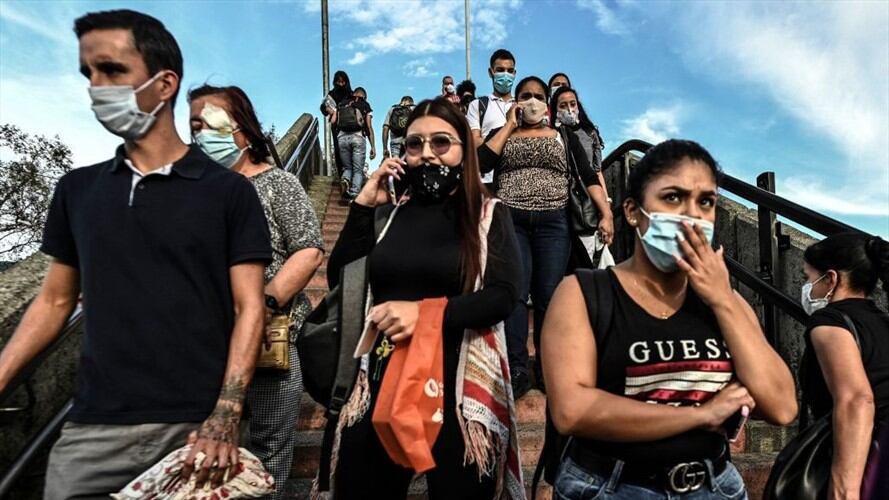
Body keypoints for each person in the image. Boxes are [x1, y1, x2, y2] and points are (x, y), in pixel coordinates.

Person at [0, 10, 273, 498]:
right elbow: (54, 303)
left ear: (164, 83)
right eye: (89, 74)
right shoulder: (76, 190)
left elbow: (248, 305)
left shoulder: (229, 193)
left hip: (196, 428)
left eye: (112, 71)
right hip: (92, 429)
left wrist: (225, 416)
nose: (96, 88)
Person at [541, 139, 798, 499]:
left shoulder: (724, 299)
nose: (692, 215)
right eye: (673, 198)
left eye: (705, 201)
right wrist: (702, 416)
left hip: (714, 485)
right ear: (632, 212)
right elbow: (572, 410)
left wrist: (722, 299)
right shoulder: (584, 292)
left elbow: (783, 406)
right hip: (610, 486)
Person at [325, 98, 524, 499]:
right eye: (414, 144)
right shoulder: (388, 214)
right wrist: (363, 207)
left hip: (459, 393)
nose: (426, 153)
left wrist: (425, 314)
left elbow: (504, 296)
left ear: (465, 152)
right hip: (380, 382)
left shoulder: (488, 214)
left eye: (440, 142)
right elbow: (340, 280)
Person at [188, 84, 324, 500]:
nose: (198, 135)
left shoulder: (278, 184)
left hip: (270, 343)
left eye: (208, 124)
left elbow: (308, 249)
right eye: (192, 126)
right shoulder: (192, 194)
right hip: (206, 345)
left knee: (268, 454)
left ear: (243, 132)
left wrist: (263, 304)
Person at [477, 76, 601, 398]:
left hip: (554, 223)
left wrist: (607, 211)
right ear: (516, 102)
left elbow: (588, 174)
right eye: (525, 96)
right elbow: (480, 163)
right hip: (512, 221)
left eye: (538, 96)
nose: (532, 101)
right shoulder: (503, 134)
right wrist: (507, 127)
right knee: (517, 293)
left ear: (546, 104)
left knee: (548, 296)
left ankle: (547, 368)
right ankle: (517, 368)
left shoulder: (563, 135)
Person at [799, 233, 889, 499]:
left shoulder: (829, 322)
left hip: (867, 466)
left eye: (808, 278)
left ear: (831, 279)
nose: (806, 287)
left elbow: (856, 400)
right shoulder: (882, 321)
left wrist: (843, 491)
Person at [550, 86, 614, 267]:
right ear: (555, 109)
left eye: (572, 104)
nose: (569, 109)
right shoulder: (551, 134)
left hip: (587, 198)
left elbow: (596, 171)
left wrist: (605, 207)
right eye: (563, 105)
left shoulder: (589, 132)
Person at [466, 48, 517, 188]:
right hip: (486, 180)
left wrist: (492, 143)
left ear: (514, 73)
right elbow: (475, 142)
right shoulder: (478, 105)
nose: (505, 75)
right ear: (491, 72)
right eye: (500, 70)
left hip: (515, 180)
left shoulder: (520, 106)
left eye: (510, 70)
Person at [333, 86, 376, 199]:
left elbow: (333, 121)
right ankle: (354, 193)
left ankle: (345, 179)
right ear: (364, 96)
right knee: (358, 169)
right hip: (358, 137)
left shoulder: (342, 103)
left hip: (342, 137)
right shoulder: (365, 105)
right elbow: (369, 126)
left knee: (347, 167)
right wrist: (373, 146)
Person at [320, 70, 352, 178]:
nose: (341, 84)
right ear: (335, 82)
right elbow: (323, 108)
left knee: (350, 151)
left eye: (343, 82)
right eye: (339, 82)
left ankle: (349, 177)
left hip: (350, 127)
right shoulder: (331, 94)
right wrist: (329, 110)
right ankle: (341, 176)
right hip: (337, 127)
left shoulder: (351, 94)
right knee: (338, 151)